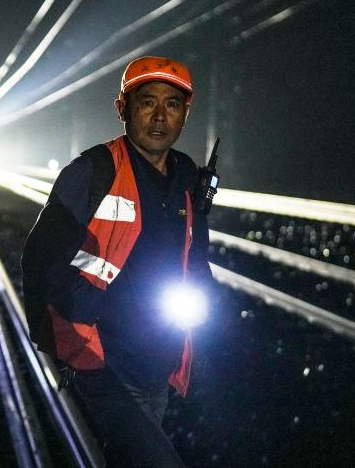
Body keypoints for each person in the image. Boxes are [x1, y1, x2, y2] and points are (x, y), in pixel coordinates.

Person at [22, 56, 214, 467]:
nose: (160, 116)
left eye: (173, 104)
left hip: (159, 356)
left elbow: (194, 256)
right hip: (101, 358)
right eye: (147, 102)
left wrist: (204, 304)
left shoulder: (186, 179)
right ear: (123, 108)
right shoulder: (92, 172)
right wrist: (65, 338)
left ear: (185, 113)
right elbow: (39, 261)